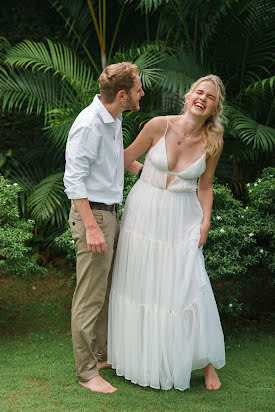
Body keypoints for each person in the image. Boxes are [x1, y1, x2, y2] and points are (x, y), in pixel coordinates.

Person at [108, 74, 226, 391]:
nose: (203, 98)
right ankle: (142, 358)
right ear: (188, 96)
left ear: (215, 107)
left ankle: (207, 364)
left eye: (210, 96)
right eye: (199, 92)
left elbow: (205, 186)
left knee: (191, 282)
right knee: (143, 284)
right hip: (144, 211)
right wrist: (149, 174)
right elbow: (126, 158)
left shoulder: (214, 140)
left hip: (184, 215)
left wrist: (205, 221)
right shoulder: (159, 125)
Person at [63, 62, 144, 393]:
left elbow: (113, 162)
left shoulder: (115, 118)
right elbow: (74, 179)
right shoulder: (89, 125)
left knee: (107, 289)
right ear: (123, 95)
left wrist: (147, 171)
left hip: (109, 213)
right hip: (92, 216)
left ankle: (98, 355)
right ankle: (86, 372)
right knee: (90, 296)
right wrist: (92, 227)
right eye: (138, 89)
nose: (143, 93)